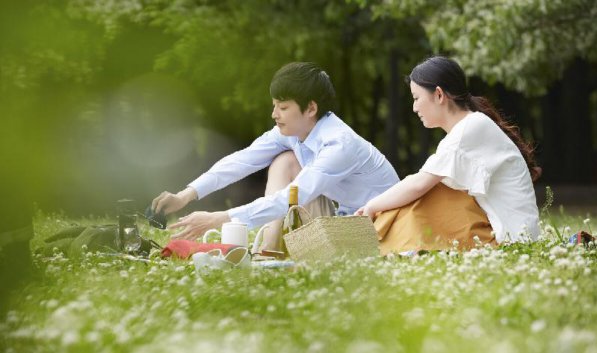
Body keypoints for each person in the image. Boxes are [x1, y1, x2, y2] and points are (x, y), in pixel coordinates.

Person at [152, 62, 399, 251]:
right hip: (346, 218)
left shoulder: (339, 145)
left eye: (283, 107)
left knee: (292, 176)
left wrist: (219, 218)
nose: (274, 114)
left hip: (379, 229)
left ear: (311, 108)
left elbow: (291, 197)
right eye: (274, 106)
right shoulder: (293, 132)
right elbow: (242, 160)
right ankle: (268, 250)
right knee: (286, 161)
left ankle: (267, 253)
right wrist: (185, 195)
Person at [356, 56, 540, 254]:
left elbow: (419, 184)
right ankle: (387, 243)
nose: (414, 107)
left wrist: (372, 207)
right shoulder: (470, 127)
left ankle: (382, 243)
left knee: (428, 192)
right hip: (511, 234)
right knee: (430, 190)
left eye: (416, 98)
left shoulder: (470, 128)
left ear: (438, 95)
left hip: (512, 240)